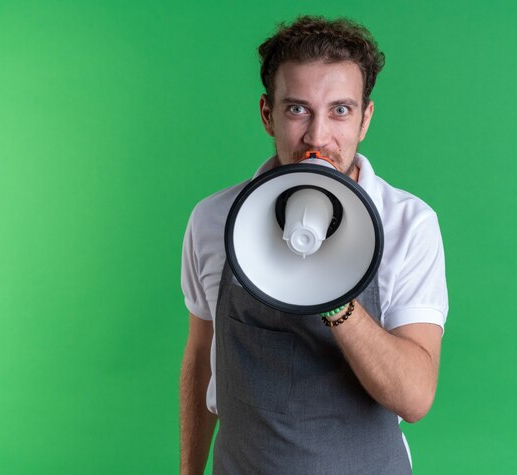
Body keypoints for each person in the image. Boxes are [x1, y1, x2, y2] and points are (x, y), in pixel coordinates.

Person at [179, 15, 448, 475]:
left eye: (340, 110)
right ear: (268, 114)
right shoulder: (213, 220)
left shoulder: (409, 224)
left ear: (365, 118)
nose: (318, 137)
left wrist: (334, 290)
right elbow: (200, 360)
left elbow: (415, 397)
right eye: (298, 109)